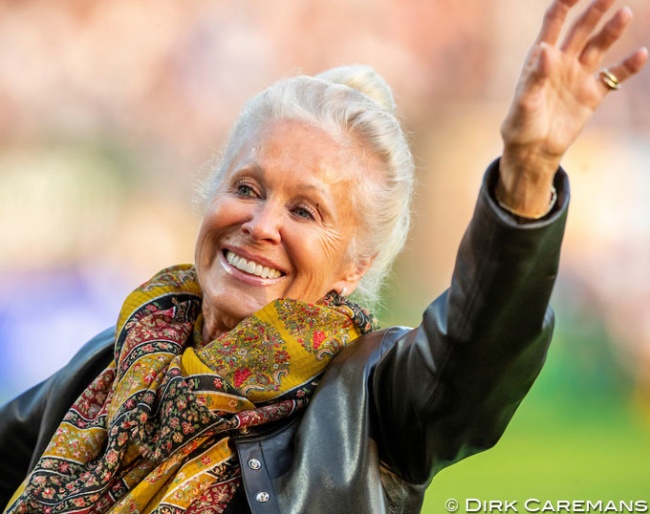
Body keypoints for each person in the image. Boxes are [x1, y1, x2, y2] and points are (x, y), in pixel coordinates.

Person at [0, 0, 647, 512]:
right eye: (247, 189)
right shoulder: (120, 357)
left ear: (355, 267)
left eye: (303, 211)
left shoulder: (368, 401)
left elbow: (479, 350)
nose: (260, 225)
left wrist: (528, 170)